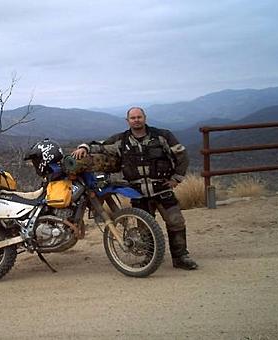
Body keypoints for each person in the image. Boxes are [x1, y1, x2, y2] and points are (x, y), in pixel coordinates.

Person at [71, 107, 198, 270]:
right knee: (144, 227)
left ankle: (181, 257)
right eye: (133, 118)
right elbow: (100, 145)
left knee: (176, 221)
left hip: (162, 189)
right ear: (128, 121)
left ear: (145, 118)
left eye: (139, 117)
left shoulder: (162, 136)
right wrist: (84, 148)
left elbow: (182, 155)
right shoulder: (121, 140)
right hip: (138, 192)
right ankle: (150, 258)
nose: (136, 120)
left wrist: (176, 178)